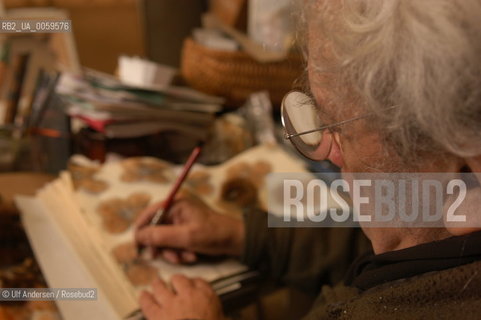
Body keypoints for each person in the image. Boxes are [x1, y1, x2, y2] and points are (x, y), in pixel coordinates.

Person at [134, 0, 481, 319]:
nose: (330, 154)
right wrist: (245, 236)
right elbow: (388, 238)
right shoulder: (438, 238)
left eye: (341, 128)